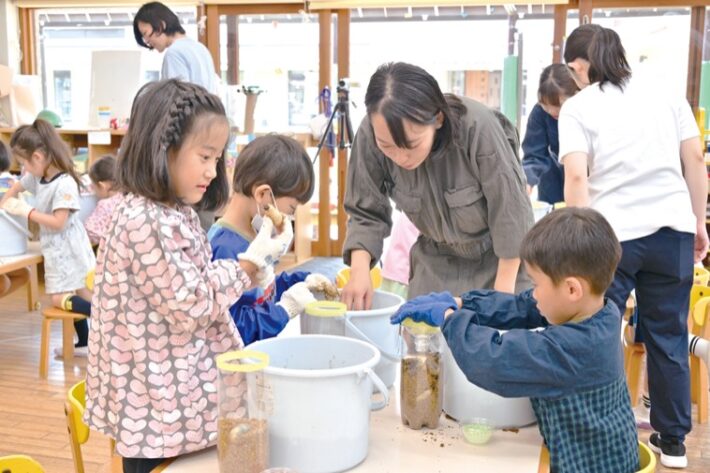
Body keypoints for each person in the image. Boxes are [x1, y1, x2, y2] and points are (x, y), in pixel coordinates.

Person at [83, 79, 292, 473]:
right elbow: (192, 303)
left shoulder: (171, 211)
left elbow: (193, 278)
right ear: (163, 149)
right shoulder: (144, 219)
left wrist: (254, 267)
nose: (213, 172)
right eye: (205, 157)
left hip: (175, 402)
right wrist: (249, 264)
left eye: (218, 159)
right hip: (155, 411)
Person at [560, 24, 708, 469]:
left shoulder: (579, 107)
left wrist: (580, 242)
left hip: (614, 237)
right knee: (669, 336)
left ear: (581, 65)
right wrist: (698, 223)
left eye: (572, 70)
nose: (573, 78)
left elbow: (576, 179)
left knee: (600, 331)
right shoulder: (666, 94)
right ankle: (674, 441)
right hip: (673, 231)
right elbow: (695, 163)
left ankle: (602, 427)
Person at [391, 207, 639, 473]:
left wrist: (451, 319)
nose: (532, 294)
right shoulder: (598, 310)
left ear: (571, 289)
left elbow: (491, 361)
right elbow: (521, 307)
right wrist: (461, 303)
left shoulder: (572, 350)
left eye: (536, 284)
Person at [341, 62, 533, 310]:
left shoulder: (478, 128)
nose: (400, 157)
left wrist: (502, 299)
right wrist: (359, 271)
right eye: (387, 146)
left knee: (495, 342)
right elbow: (365, 209)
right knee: (424, 342)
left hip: (498, 262)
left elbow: (512, 215)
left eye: (411, 144)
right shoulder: (371, 133)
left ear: (438, 119)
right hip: (434, 262)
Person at [209, 134, 336, 344]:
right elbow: (232, 330)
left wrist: (301, 281)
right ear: (263, 196)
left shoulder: (252, 236)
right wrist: (283, 310)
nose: (290, 219)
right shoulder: (226, 249)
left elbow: (263, 291)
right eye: (291, 210)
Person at [0, 120, 96, 355]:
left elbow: (59, 222)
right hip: (56, 250)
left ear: (38, 157)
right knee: (75, 292)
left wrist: (27, 211)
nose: (23, 168)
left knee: (63, 297)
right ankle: (85, 342)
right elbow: (18, 185)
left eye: (24, 163)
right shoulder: (38, 177)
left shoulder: (64, 184)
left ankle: (104, 316)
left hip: (70, 250)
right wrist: (5, 202)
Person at [134, 1, 219, 231]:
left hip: (188, 137)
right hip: (209, 135)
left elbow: (175, 101)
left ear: (160, 25)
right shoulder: (200, 49)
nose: (147, 42)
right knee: (203, 209)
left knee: (184, 214)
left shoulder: (174, 53)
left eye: (146, 34)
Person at [522, 64, 579, 204]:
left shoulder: (584, 111)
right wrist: (527, 180)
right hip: (553, 179)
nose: (552, 111)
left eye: (559, 105)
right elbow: (534, 155)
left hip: (583, 175)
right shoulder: (539, 113)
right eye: (545, 105)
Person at [0, 141, 30, 299]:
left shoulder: (8, 182)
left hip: (6, 245)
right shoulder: (9, 182)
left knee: (24, 274)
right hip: (6, 246)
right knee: (3, 282)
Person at [84, 155, 122, 245]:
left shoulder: (105, 205)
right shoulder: (127, 197)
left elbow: (90, 233)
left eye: (93, 186)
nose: (92, 189)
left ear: (102, 186)